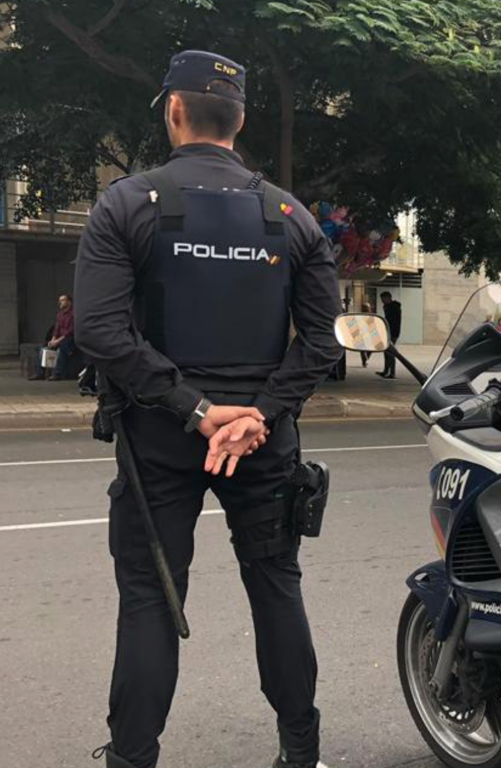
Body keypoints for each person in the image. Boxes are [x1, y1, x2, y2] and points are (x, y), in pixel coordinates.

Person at [74, 50, 341, 768]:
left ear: (174, 111)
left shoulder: (127, 204)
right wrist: (258, 413)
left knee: (151, 600)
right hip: (263, 439)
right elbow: (321, 342)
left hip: (160, 435)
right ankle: (301, 751)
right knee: (276, 589)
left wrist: (196, 411)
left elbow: (99, 332)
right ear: (242, 118)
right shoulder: (292, 217)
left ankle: (133, 757)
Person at [47, 294, 77, 380]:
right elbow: (57, 329)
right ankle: (40, 373)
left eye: (63, 300)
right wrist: (53, 339)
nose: (60, 302)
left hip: (70, 339)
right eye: (59, 300)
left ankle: (57, 374)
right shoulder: (59, 314)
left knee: (63, 346)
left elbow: (70, 331)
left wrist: (57, 341)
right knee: (44, 348)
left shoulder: (73, 314)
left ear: (69, 302)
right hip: (60, 339)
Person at [378, 290, 402, 379]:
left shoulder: (394, 307)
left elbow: (392, 320)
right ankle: (386, 371)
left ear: (387, 298)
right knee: (386, 351)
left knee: (390, 352)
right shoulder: (388, 306)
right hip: (388, 331)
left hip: (393, 332)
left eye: (383, 299)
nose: (382, 301)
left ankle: (392, 373)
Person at [358, 301, 373, 368]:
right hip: (362, 333)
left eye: (367, 308)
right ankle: (364, 361)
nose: (366, 309)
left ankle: (365, 359)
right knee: (362, 349)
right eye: (364, 308)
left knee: (370, 348)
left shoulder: (372, 316)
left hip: (369, 333)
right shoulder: (359, 316)